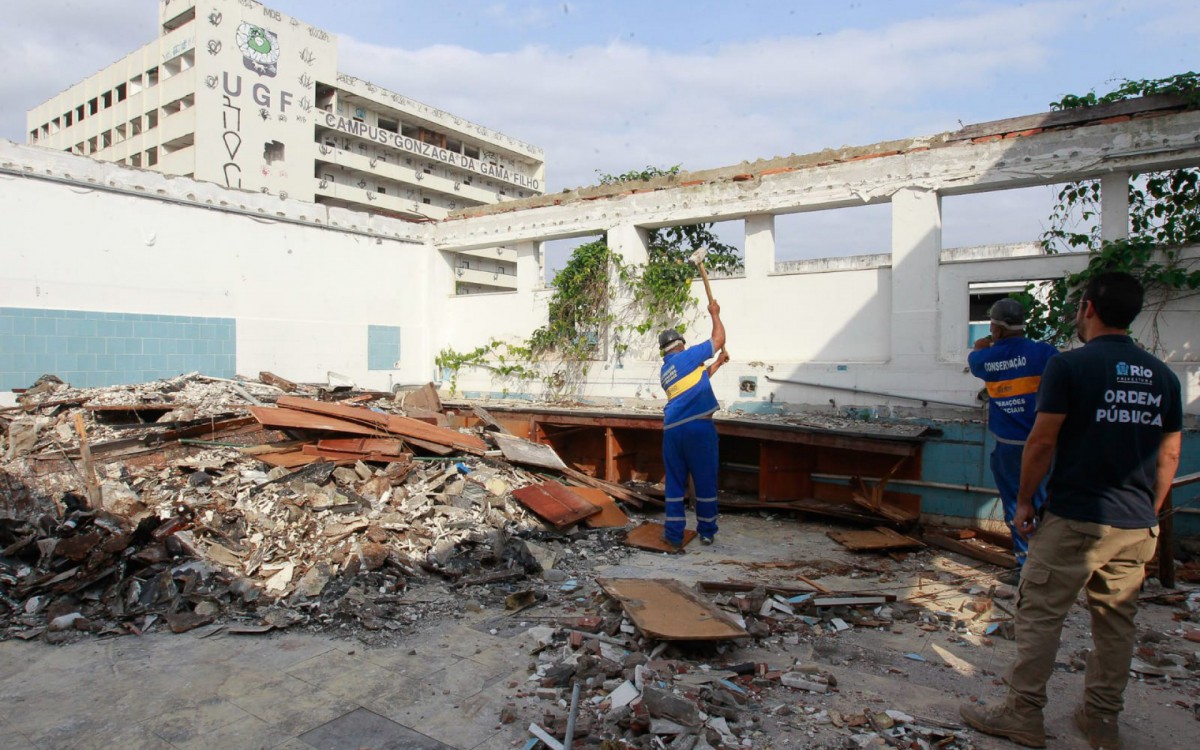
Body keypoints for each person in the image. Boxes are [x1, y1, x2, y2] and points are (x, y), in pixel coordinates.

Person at [960, 272, 1182, 750]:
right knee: (1116, 622)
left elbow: (1043, 442)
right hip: (1136, 522)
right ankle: (1101, 721)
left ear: (1087, 310)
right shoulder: (1163, 376)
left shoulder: (1072, 366)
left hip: (1077, 516)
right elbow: (1169, 455)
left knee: (1039, 614)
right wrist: (1150, 513)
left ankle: (1023, 714)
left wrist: (1023, 502)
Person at [968, 298, 1058, 584]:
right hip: (1044, 444)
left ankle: (1026, 567)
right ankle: (1047, 565)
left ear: (995, 327)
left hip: (1009, 446)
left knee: (1015, 506)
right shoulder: (1044, 352)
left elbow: (976, 359)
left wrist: (983, 344)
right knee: (1044, 504)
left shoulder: (985, 357)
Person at [658, 299, 728, 547]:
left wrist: (717, 363)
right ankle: (707, 531)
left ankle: (674, 534)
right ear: (682, 345)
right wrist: (715, 314)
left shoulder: (667, 371)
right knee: (704, 479)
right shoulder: (687, 357)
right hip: (698, 428)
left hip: (672, 431)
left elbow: (698, 379)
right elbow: (717, 339)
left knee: (675, 483)